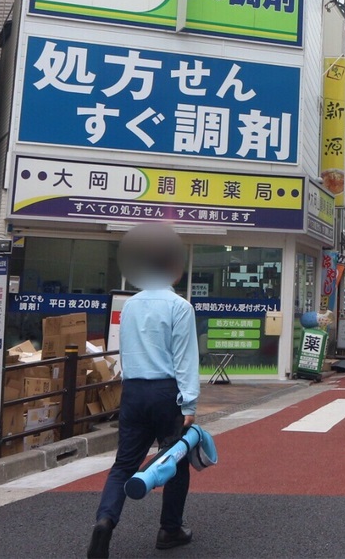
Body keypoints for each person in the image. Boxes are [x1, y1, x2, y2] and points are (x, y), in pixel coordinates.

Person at [89, 227, 200, 558]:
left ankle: (105, 521)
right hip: (167, 392)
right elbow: (185, 359)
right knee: (174, 460)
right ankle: (169, 529)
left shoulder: (131, 306)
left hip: (133, 390)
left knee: (124, 463)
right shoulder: (180, 307)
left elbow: (126, 351)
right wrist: (189, 402)